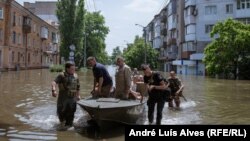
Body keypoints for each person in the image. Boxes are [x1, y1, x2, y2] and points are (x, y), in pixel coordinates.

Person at [51, 61, 80, 128]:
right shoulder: (61, 75)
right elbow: (54, 82)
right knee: (62, 118)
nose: (74, 70)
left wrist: (78, 95)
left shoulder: (76, 76)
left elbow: (78, 87)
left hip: (72, 100)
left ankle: (69, 130)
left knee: (70, 118)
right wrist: (54, 90)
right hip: (63, 100)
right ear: (67, 69)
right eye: (72, 69)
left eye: (74, 68)